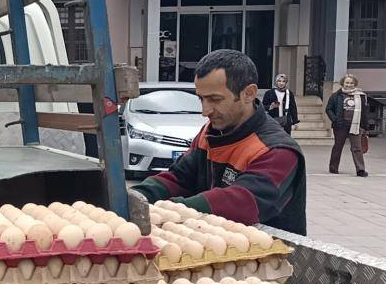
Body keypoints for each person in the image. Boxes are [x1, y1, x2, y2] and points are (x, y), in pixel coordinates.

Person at [131, 49, 307, 235]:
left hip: (270, 259)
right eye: (201, 99)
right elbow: (179, 178)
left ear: (249, 93)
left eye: (215, 99)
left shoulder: (277, 151)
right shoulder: (210, 133)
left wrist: (170, 210)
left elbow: (241, 202)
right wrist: (136, 196)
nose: (205, 111)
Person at [326, 73, 371, 177]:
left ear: (354, 84)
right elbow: (328, 109)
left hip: (356, 125)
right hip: (340, 125)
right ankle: (333, 168)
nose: (349, 84)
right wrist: (335, 119)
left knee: (357, 147)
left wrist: (365, 127)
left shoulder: (361, 96)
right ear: (343, 83)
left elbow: (364, 112)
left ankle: (360, 170)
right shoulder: (336, 95)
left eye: (351, 83)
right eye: (347, 82)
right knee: (338, 147)